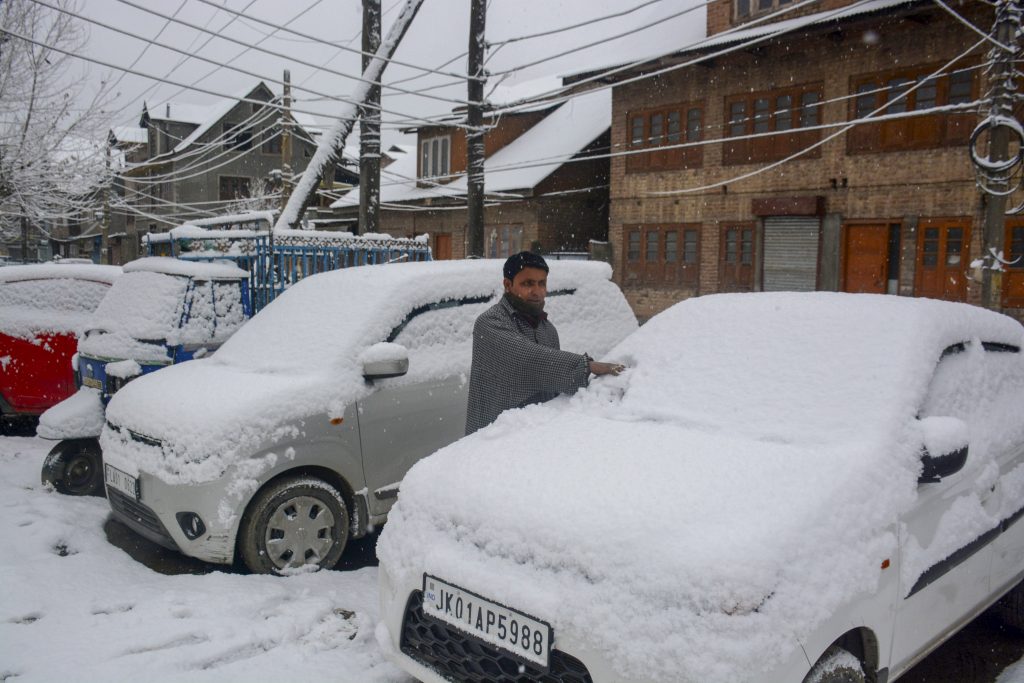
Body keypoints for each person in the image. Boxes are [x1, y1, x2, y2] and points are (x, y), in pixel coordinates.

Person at [465, 251, 625, 435]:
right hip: (491, 440)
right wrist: (587, 367)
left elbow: (555, 391)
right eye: (527, 284)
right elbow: (525, 358)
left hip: (536, 438)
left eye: (542, 283)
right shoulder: (490, 323)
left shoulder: (547, 330)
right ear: (507, 285)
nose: (537, 291)